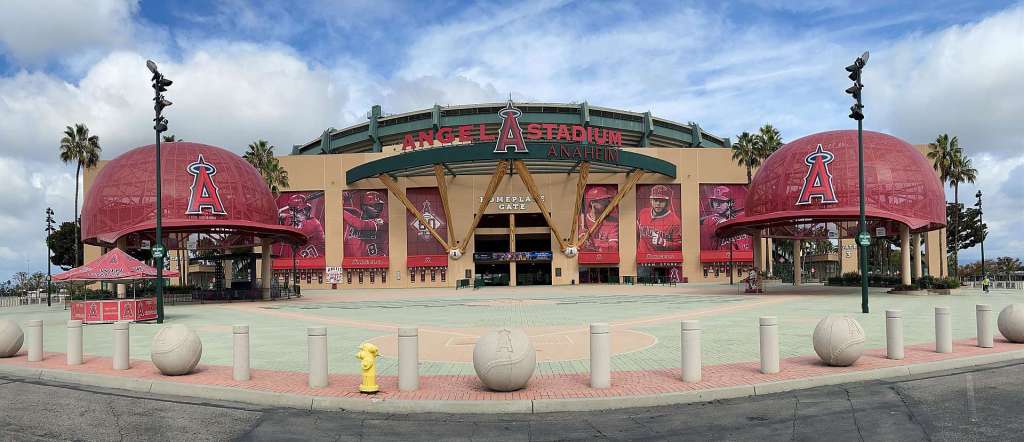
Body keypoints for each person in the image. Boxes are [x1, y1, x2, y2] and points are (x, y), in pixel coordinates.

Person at [637, 184, 682, 253]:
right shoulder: (643, 212)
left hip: (660, 257)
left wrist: (665, 243)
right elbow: (636, 234)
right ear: (651, 201)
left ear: (667, 202)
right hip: (641, 256)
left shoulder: (675, 221)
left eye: (661, 201)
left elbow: (680, 245)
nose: (658, 203)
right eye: (655, 200)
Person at [344, 191, 388, 257]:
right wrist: (343, 198)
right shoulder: (355, 214)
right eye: (374, 206)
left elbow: (361, 225)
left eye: (380, 207)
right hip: (350, 261)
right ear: (364, 207)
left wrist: (340, 211)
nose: (377, 210)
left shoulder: (381, 223)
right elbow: (336, 208)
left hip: (372, 262)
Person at [578, 186, 618, 253]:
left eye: (606, 200)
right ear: (592, 203)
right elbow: (578, 247)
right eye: (602, 200)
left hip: (605, 261)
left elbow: (613, 247)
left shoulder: (612, 223)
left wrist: (592, 243)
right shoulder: (581, 221)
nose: (606, 203)